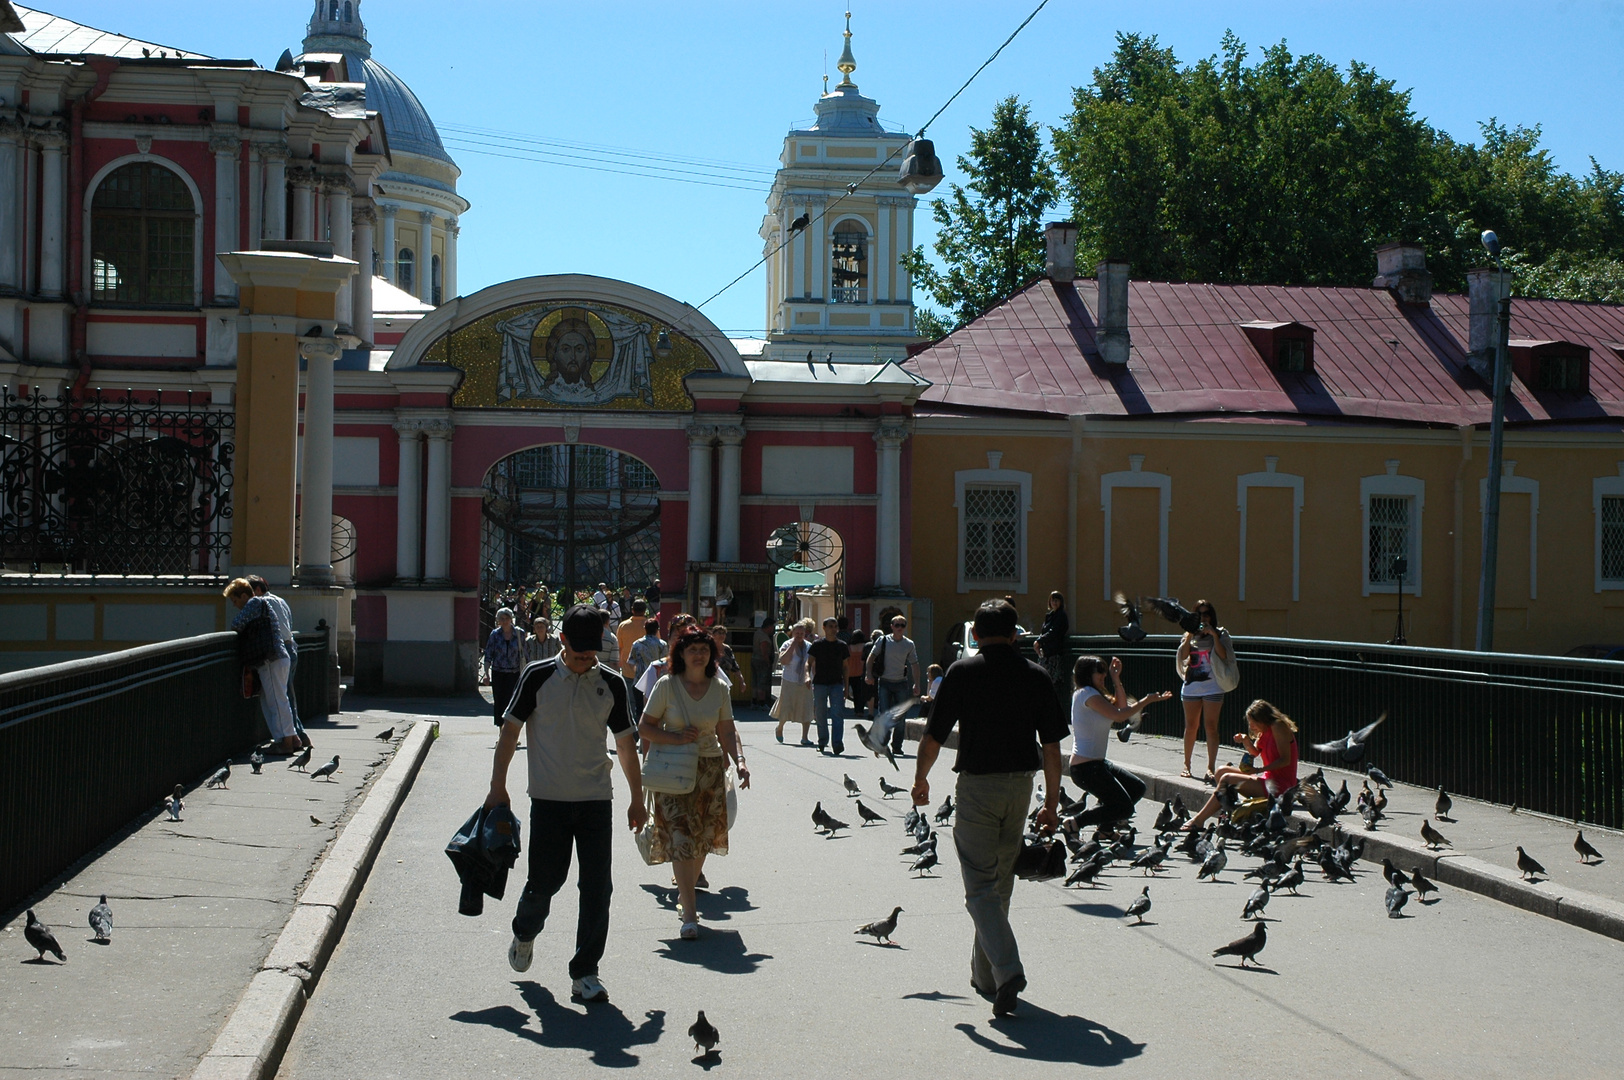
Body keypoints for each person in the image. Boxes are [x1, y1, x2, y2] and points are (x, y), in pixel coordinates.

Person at [912, 599, 1067, 1018]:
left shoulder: (962, 672)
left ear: (975, 635)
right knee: (999, 885)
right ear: (1016, 635)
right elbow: (1052, 748)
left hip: (978, 787)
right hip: (1021, 787)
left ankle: (1008, 969)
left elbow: (933, 738)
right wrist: (1051, 804)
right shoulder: (1035, 676)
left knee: (980, 888)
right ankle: (987, 977)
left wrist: (920, 779)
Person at [486, 604, 646, 1004]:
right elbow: (509, 734)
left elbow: (626, 744)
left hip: (595, 800)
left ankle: (585, 972)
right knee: (545, 882)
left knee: (597, 888)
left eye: (591, 656)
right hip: (549, 801)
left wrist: (637, 798)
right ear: (562, 642)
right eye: (578, 656)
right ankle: (525, 931)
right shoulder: (536, 676)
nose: (584, 663)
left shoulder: (611, 683)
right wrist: (497, 788)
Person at [637, 627, 751, 940]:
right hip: (673, 770)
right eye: (692, 650)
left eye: (704, 649)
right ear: (681, 654)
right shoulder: (666, 686)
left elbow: (727, 730)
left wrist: (740, 762)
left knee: (703, 838)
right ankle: (689, 913)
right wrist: (673, 738)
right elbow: (644, 727)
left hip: (709, 769)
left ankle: (686, 889)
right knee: (680, 838)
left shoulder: (719, 688)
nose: (699, 654)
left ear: (712, 654)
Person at [1067, 655, 1173, 827]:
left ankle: (1105, 829)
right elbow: (1119, 716)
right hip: (1085, 768)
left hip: (1098, 764)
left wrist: (1116, 679)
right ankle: (1075, 823)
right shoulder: (1086, 694)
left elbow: (1122, 708)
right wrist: (1146, 700)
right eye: (1099, 672)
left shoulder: (1095, 694)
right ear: (1087, 674)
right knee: (1124, 808)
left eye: (1104, 672)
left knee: (1136, 788)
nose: (1103, 676)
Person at [1183, 699, 1298, 831]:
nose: (1251, 726)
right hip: (1268, 779)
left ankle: (1199, 820)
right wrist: (1246, 741)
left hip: (1280, 785)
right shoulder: (1264, 731)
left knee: (1227, 779)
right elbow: (1254, 752)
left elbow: (1285, 760)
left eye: (1253, 722)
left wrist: (1259, 769)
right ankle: (1230, 810)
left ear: (1262, 718)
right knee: (1221, 771)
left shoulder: (1278, 726)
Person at [224, 578, 299, 753]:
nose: (235, 606)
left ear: (244, 595)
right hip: (277, 657)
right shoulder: (261, 603)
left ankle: (285, 742)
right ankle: (291, 738)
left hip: (271, 659)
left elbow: (236, 624)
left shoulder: (255, 602)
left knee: (276, 701)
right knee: (277, 699)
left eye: (235, 601)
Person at [246, 574, 310, 749]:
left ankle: (291, 737)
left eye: (250, 591)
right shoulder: (280, 600)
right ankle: (298, 735)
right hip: (290, 647)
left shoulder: (262, 603)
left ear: (258, 589)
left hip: (277, 650)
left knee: (280, 696)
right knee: (286, 694)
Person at [1177, 600, 1235, 781]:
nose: (1203, 617)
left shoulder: (1221, 633)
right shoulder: (1189, 634)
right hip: (1192, 686)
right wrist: (1188, 636)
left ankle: (1210, 767)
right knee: (1191, 726)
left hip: (1213, 686)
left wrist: (1214, 636)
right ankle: (1186, 764)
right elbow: (1183, 656)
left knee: (1211, 727)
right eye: (1200, 614)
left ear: (1212, 616)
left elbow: (1224, 655)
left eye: (1207, 613)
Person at [866, 615, 924, 755]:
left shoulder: (909, 644)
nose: (899, 628)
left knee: (900, 717)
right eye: (897, 625)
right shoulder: (883, 640)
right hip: (885, 681)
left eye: (902, 625)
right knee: (884, 715)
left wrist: (917, 684)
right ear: (892, 626)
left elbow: (914, 664)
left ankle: (897, 745)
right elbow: (871, 657)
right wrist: (869, 674)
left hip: (901, 683)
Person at [808, 617, 850, 755]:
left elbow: (845, 667)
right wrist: (807, 676)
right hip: (820, 683)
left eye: (835, 626)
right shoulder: (817, 644)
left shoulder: (842, 646)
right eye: (830, 626)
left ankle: (837, 744)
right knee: (820, 714)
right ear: (824, 628)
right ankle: (822, 741)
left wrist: (846, 687)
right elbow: (808, 663)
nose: (833, 629)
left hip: (836, 684)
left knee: (837, 713)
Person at [482, 607, 527, 727]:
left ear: (511, 619)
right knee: (499, 702)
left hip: (514, 673)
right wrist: (486, 674)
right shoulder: (495, 634)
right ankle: (501, 731)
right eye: (502, 618)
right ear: (498, 620)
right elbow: (488, 654)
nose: (505, 620)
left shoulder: (519, 633)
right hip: (498, 673)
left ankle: (511, 731)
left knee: (512, 702)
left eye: (507, 618)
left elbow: (525, 654)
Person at [771, 619, 814, 745]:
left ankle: (805, 737)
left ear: (805, 633)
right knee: (787, 706)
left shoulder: (809, 646)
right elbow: (783, 661)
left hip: (805, 681)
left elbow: (812, 663)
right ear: (792, 633)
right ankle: (780, 728)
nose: (799, 636)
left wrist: (813, 678)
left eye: (802, 633)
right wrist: (793, 645)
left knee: (807, 707)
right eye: (797, 633)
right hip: (790, 680)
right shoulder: (786, 644)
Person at [1033, 591, 1070, 704]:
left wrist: (1039, 640)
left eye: (1056, 600)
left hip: (1054, 653)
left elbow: (1054, 632)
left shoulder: (1061, 615)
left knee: (1052, 682)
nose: (1054, 602)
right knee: (1043, 680)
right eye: (1052, 600)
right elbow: (1045, 630)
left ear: (1060, 602)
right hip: (1046, 653)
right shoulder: (1050, 616)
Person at [627, 618, 667, 719]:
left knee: (639, 709)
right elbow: (665, 662)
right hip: (657, 681)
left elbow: (631, 662)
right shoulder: (662, 644)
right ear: (657, 629)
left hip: (639, 681)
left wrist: (638, 672)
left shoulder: (637, 643)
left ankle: (640, 731)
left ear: (645, 628)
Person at [710, 625, 744, 698]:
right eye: (719, 633)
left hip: (724, 683)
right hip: (710, 683)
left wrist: (741, 681)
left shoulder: (727, 649)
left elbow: (735, 666)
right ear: (713, 635)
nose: (722, 635)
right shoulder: (708, 648)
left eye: (724, 633)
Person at [617, 600, 647, 682]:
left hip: (627, 669)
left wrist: (619, 663)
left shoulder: (623, 626)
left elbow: (619, 647)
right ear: (645, 611)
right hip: (646, 670)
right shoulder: (649, 625)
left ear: (632, 610)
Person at [751, 616, 775, 708]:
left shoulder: (757, 633)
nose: (772, 629)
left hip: (754, 659)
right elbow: (764, 651)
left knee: (755, 680)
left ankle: (754, 701)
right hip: (761, 660)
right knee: (762, 682)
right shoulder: (764, 637)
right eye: (772, 627)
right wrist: (768, 662)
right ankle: (762, 702)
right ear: (769, 627)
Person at [597, 608, 622, 673]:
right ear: (608, 621)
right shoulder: (612, 638)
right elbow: (614, 663)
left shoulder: (588, 635)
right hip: (605, 674)